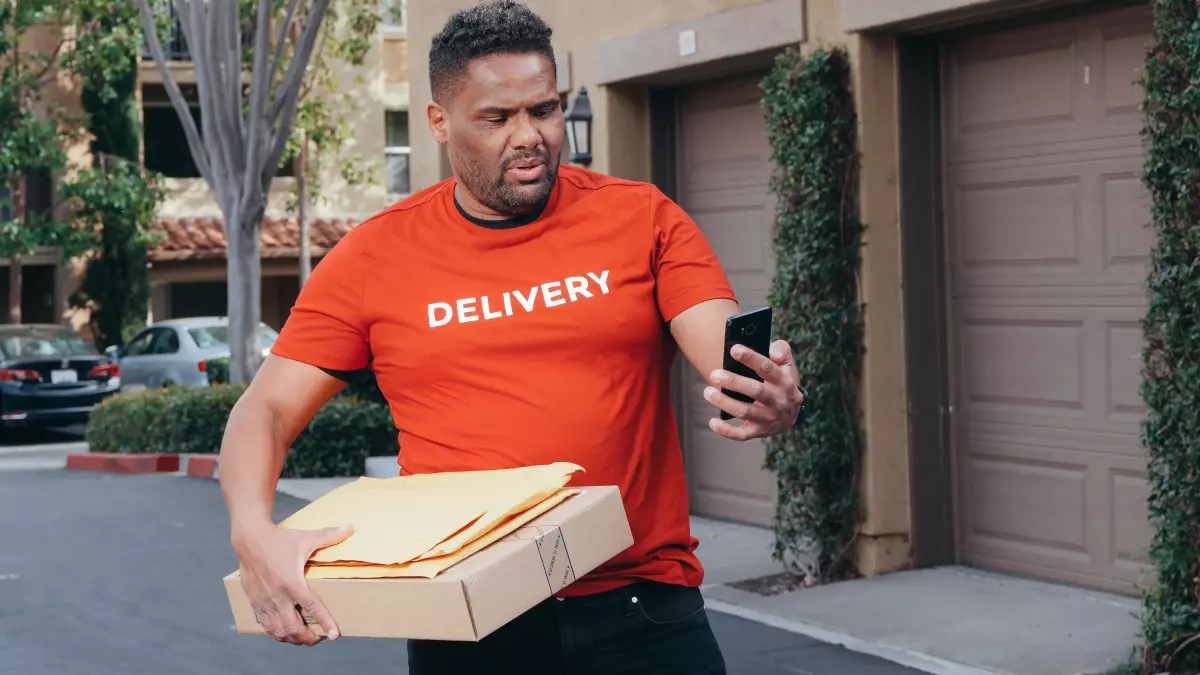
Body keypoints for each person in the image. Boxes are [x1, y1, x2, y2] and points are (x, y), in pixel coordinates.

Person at [219, 1, 804, 673]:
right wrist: (252, 530)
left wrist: (762, 391)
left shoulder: (641, 219)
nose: (528, 135)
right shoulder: (373, 255)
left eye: (544, 110)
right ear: (440, 122)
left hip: (642, 607)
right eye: (496, 118)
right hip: (470, 619)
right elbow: (263, 409)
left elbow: (720, 344)